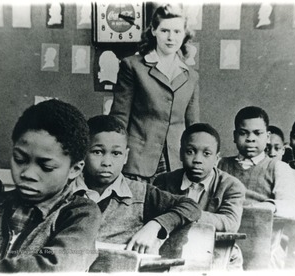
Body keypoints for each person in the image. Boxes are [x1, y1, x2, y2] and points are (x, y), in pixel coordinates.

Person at [0, 99, 101, 272]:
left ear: (74, 169)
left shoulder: (81, 214)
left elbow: (58, 269)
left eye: (46, 166)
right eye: (20, 159)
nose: (27, 173)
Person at [73, 115, 201, 258]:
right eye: (97, 152)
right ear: (83, 152)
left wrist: (155, 225)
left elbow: (191, 206)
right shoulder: (66, 190)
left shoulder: (141, 193)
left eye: (116, 153)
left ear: (126, 156)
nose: (107, 162)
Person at [109, 4, 200, 183]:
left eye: (177, 31)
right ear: (153, 31)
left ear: (184, 34)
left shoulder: (191, 76)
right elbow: (120, 117)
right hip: (138, 160)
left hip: (176, 162)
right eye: (165, 30)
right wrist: (115, 154)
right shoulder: (132, 66)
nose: (171, 37)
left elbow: (193, 125)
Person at [153, 123, 246, 269]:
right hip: (171, 250)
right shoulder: (164, 181)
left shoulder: (231, 186)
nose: (197, 159)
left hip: (218, 255)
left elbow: (230, 223)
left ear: (217, 159)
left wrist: (183, 215)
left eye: (206, 154)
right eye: (190, 152)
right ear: (180, 154)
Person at [218, 106, 295, 269]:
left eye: (257, 133)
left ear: (267, 136)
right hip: (223, 248)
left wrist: (264, 207)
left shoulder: (278, 168)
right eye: (243, 133)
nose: (250, 139)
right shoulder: (220, 165)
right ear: (235, 136)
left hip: (263, 250)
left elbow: (292, 208)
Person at [266, 125, 295, 198]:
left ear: (283, 150)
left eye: (277, 148)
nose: (272, 153)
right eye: (267, 149)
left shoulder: (292, 174)